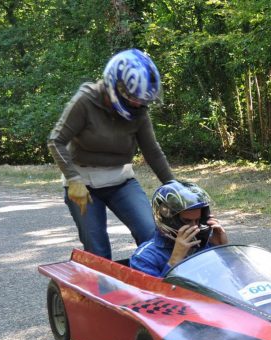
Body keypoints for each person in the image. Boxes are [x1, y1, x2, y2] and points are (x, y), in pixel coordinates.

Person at [48, 49, 175, 259]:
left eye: (143, 100)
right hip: (83, 185)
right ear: (116, 87)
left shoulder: (139, 111)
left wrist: (172, 186)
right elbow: (56, 141)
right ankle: (101, 289)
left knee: (152, 235)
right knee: (98, 252)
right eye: (134, 98)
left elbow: (152, 151)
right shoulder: (85, 101)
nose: (139, 104)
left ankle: (152, 285)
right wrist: (73, 179)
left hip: (121, 181)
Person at [130, 180, 229, 277]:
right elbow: (153, 292)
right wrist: (175, 260)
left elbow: (230, 281)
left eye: (198, 220)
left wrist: (222, 249)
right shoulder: (144, 258)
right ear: (167, 220)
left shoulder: (206, 244)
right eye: (187, 221)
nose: (195, 227)